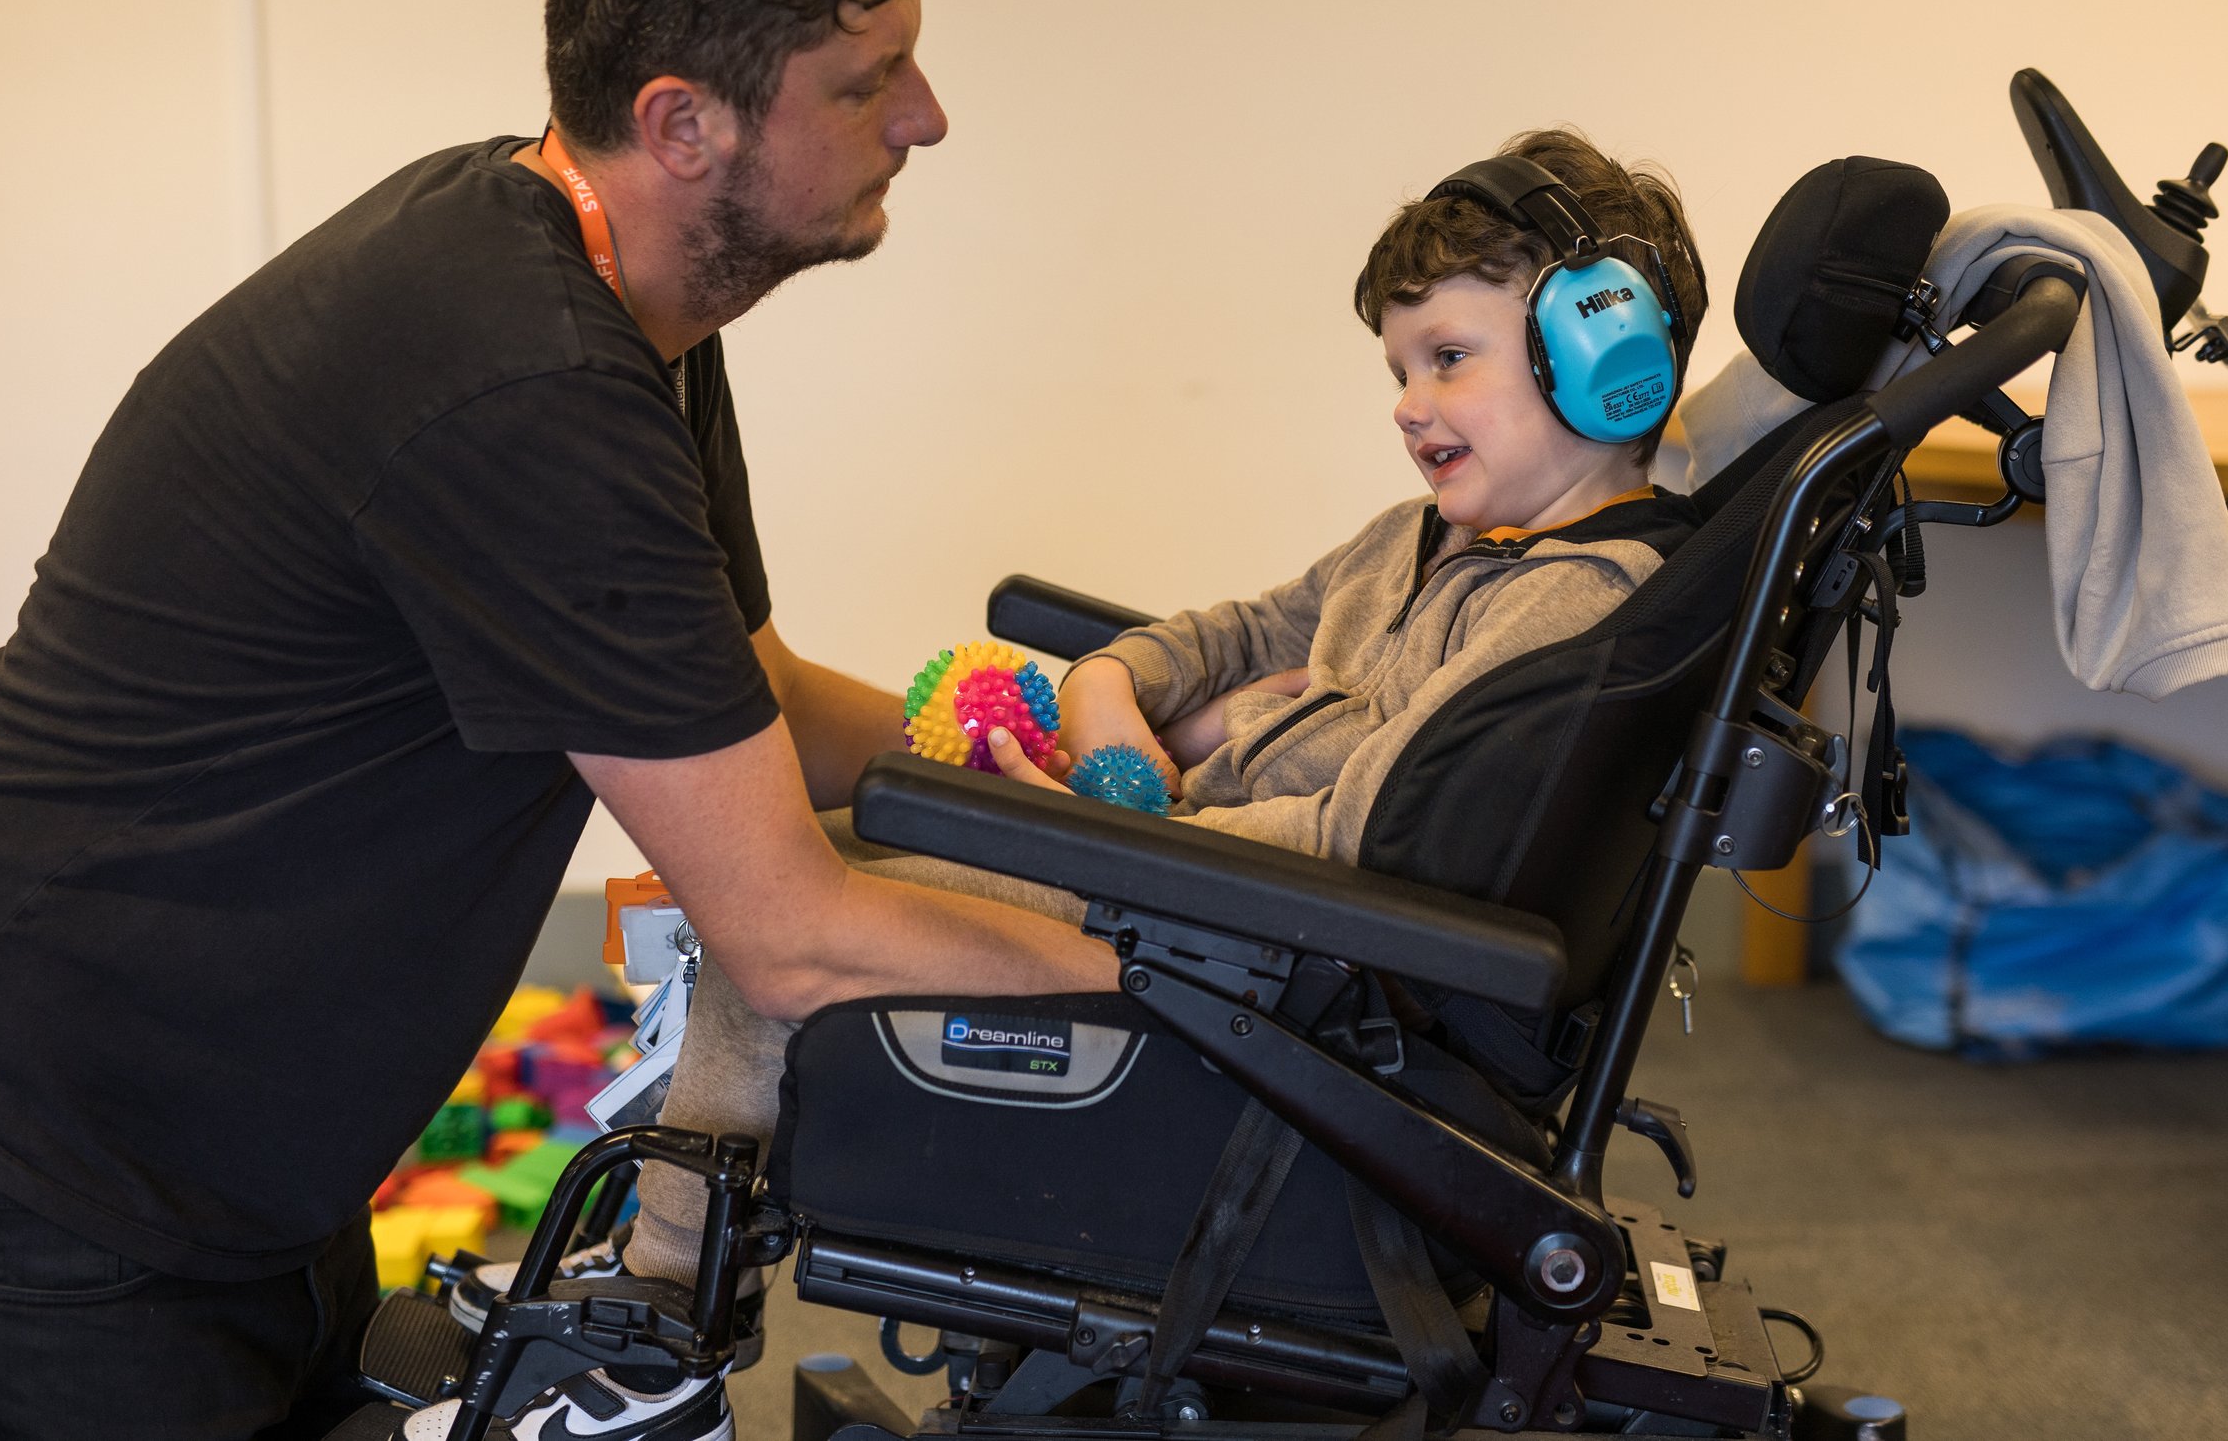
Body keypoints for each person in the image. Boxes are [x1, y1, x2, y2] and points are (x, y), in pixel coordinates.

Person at [0, 0, 1113, 1440]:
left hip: (249, 1158)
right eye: (868, 82)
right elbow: (789, 933)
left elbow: (761, 702)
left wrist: (1097, 774)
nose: (926, 117)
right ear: (683, 121)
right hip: (58, 1165)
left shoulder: (603, 295)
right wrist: (1186, 981)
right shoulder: (529, 377)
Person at [564, 125, 1712, 1373]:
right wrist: (1111, 686)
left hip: (1252, 943)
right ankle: (697, 1200)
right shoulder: (1421, 537)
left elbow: (1360, 835)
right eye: (1398, 367)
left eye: (1448, 357)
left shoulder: (1570, 604)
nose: (1406, 404)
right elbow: (1238, 633)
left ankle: (656, 1318)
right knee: (811, 856)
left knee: (786, 928)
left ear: (1601, 352)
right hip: (1193, 882)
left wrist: (1134, 826)